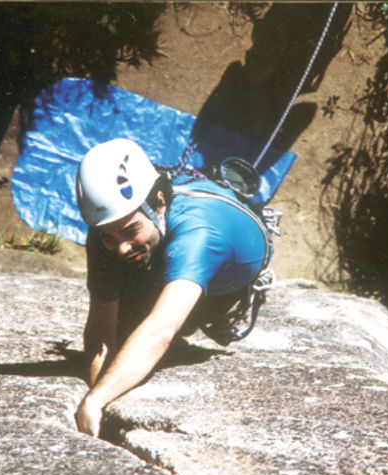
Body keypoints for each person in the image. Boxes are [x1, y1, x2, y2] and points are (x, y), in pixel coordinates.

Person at [74, 137, 273, 437]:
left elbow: (160, 331)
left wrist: (97, 400)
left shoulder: (199, 235)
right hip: (168, 238)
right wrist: (100, 388)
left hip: (226, 280)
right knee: (126, 342)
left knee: (147, 330)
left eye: (130, 231)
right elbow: (101, 331)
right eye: (109, 237)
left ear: (159, 203)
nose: (121, 248)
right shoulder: (111, 226)